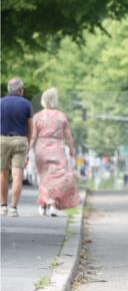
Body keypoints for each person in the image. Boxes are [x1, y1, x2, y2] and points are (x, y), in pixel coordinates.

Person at [28, 88, 80, 216]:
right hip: (57, 149)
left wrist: (28, 151)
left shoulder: (37, 116)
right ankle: (51, 203)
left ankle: (43, 204)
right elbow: (69, 136)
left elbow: (33, 137)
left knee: (44, 178)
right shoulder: (61, 116)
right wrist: (72, 151)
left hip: (41, 150)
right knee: (57, 178)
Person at [1, 78, 33, 217]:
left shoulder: (1, 102)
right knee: (17, 174)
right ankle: (14, 208)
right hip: (20, 140)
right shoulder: (26, 104)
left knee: (2, 173)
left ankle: (3, 206)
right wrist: (29, 143)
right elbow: (30, 128)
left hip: (2, 139)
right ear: (20, 90)